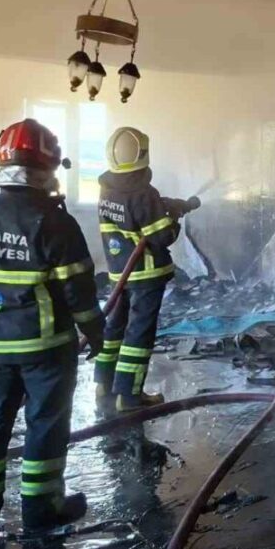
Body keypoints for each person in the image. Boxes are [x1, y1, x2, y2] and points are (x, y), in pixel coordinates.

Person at [0, 118, 105, 537]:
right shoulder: (55, 223)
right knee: (46, 425)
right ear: (49, 167)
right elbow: (79, 292)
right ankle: (41, 509)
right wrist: (96, 332)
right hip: (45, 350)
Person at [94, 126, 179, 413]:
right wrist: (173, 221)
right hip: (146, 273)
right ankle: (129, 396)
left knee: (114, 328)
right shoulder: (144, 193)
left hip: (119, 272)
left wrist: (162, 207)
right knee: (139, 334)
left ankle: (104, 383)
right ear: (142, 153)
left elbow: (130, 217)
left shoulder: (107, 188)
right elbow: (162, 236)